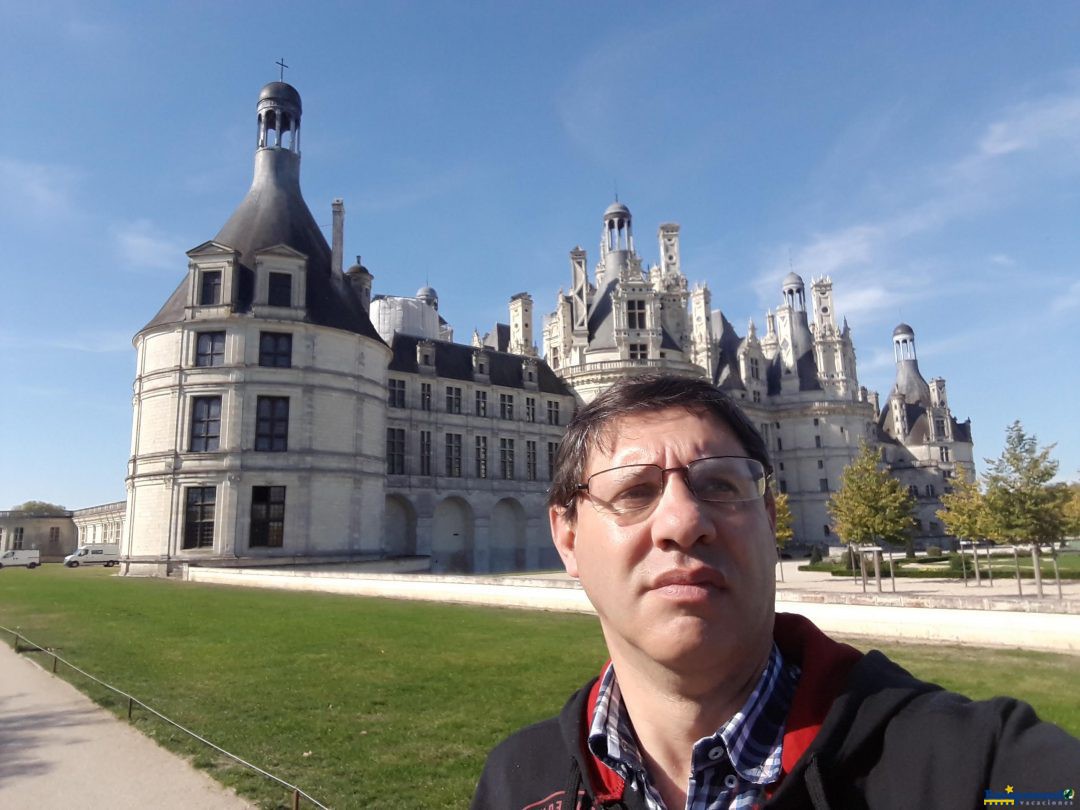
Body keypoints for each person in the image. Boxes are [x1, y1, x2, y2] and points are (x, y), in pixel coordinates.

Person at [471, 372, 1080, 810]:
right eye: (634, 492)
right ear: (567, 539)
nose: (683, 522)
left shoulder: (967, 767)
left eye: (720, 484)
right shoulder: (520, 785)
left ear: (769, 513)